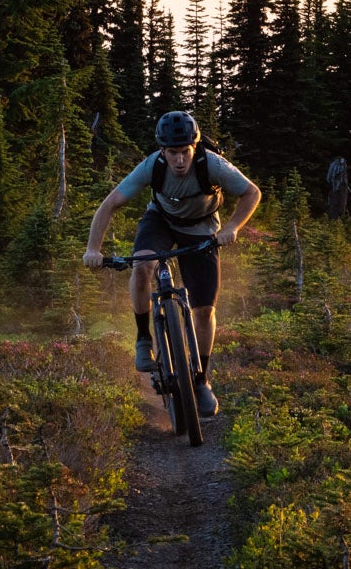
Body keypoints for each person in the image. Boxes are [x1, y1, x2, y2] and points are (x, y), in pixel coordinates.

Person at [83, 110, 260, 416]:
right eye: (173, 153)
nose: (180, 160)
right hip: (161, 221)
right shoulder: (153, 166)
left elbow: (251, 192)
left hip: (202, 227)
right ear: (162, 151)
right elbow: (110, 204)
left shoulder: (213, 165)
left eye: (185, 152)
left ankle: (202, 380)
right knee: (142, 267)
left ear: (195, 147)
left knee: (204, 310)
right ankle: (143, 339)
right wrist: (92, 249)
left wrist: (231, 228)